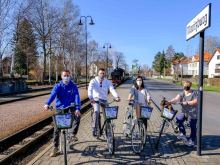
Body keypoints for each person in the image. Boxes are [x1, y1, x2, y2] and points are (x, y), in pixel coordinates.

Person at [44, 70, 81, 157]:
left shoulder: (73, 86)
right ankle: (55, 147)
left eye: (68, 75)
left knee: (77, 116)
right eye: (64, 75)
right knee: (56, 128)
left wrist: (77, 108)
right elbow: (53, 94)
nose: (66, 77)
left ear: (70, 76)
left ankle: (73, 134)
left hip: (71, 106)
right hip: (60, 107)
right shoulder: (58, 85)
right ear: (61, 76)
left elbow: (77, 96)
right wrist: (47, 104)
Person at [88, 68, 120, 137]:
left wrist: (116, 96)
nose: (102, 75)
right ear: (98, 73)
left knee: (109, 114)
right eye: (100, 73)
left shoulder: (107, 82)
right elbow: (90, 89)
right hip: (95, 100)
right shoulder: (93, 81)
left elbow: (112, 89)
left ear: (105, 74)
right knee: (96, 111)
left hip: (104, 100)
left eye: (103, 73)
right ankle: (94, 128)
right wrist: (90, 97)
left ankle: (108, 127)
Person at [169, 80, 198, 147]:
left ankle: (192, 140)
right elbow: (176, 98)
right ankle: (183, 133)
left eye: (187, 85)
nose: (185, 86)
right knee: (178, 120)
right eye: (184, 85)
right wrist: (170, 102)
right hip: (184, 112)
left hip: (193, 112)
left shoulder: (194, 93)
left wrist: (187, 102)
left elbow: (195, 101)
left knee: (192, 126)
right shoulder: (182, 93)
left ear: (189, 86)